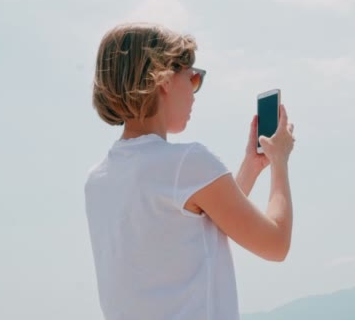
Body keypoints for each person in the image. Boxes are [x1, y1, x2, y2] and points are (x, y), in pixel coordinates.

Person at [84, 22, 295, 320]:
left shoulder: (98, 179)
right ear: (165, 79)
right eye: (193, 77)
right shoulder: (188, 163)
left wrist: (251, 167)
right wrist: (280, 162)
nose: (195, 91)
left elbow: (199, 224)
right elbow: (276, 244)